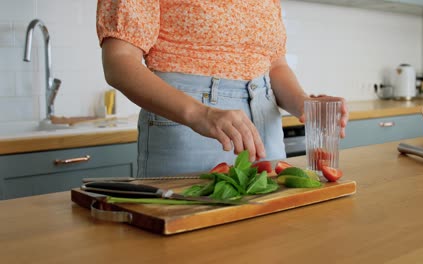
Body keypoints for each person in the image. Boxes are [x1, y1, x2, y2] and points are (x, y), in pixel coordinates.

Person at [96, 0, 348, 177]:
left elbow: (274, 65)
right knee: (188, 244)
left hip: (266, 132)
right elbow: (119, 62)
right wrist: (200, 113)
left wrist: (303, 103)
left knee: (267, 243)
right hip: (190, 127)